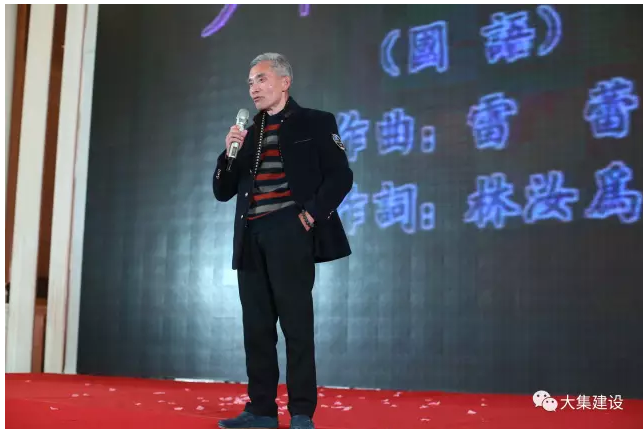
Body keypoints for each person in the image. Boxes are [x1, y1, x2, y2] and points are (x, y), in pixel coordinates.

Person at [212, 53, 353, 429]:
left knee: (296, 325)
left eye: (261, 79)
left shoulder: (315, 122)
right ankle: (261, 410)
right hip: (250, 235)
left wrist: (309, 216)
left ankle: (301, 412)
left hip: (289, 231)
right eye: (249, 83)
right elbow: (222, 191)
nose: (253, 88)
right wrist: (228, 153)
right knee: (257, 328)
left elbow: (341, 177)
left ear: (284, 82)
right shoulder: (249, 133)